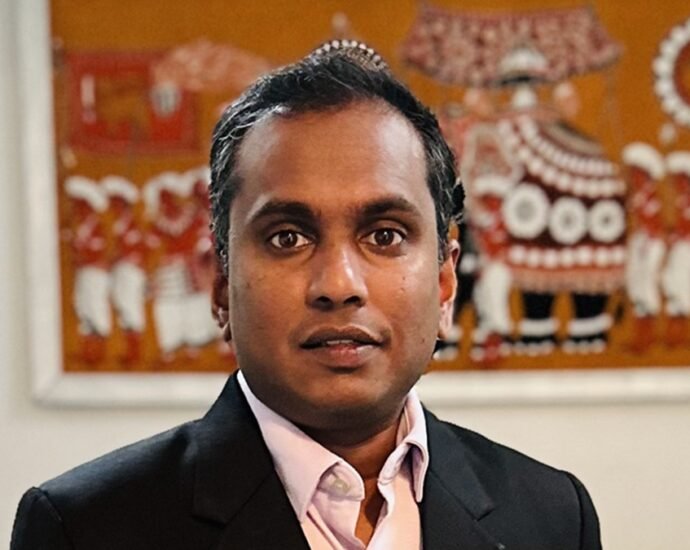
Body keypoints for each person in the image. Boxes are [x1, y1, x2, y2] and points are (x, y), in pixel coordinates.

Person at [11, 41, 601, 550]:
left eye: (384, 235)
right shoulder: (84, 528)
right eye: (287, 238)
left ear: (445, 284)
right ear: (220, 284)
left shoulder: (551, 516)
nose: (339, 285)